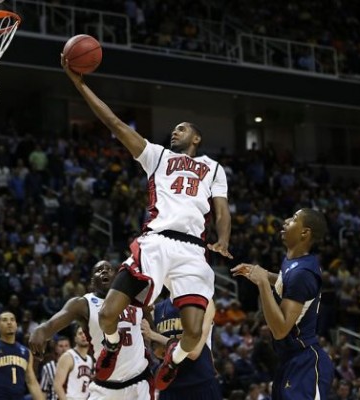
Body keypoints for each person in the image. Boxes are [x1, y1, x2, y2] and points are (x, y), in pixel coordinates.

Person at [60, 53, 232, 391]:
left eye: (182, 128)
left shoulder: (213, 168)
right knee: (107, 315)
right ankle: (111, 346)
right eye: (174, 128)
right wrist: (80, 85)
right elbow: (115, 124)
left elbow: (222, 210)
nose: (175, 131)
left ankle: (173, 360)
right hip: (157, 241)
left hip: (193, 250)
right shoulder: (157, 156)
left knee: (193, 332)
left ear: (196, 138)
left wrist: (223, 238)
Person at [231, 208, 334, 400]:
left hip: (305, 363)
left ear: (305, 233)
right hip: (289, 359)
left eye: (294, 218)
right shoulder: (295, 262)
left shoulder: (302, 273)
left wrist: (262, 283)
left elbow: (280, 330)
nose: (286, 220)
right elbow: (288, 283)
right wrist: (264, 275)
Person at [30, 260, 153, 399]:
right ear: (92, 282)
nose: (104, 271)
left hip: (139, 382)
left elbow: (152, 330)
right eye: (99, 270)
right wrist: (39, 331)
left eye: (109, 269)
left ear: (117, 277)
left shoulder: (135, 299)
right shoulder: (82, 304)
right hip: (106, 385)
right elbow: (50, 325)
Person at [142, 296, 221, 400]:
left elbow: (194, 352)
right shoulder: (156, 309)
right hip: (170, 386)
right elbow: (158, 352)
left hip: (201, 384)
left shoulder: (206, 302)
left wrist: (155, 335)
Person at [0, 311, 44, 400]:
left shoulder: (26, 352)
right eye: (4, 320)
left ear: (16, 325)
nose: (9, 322)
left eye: (12, 320)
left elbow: (32, 382)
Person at [53, 326, 93, 400]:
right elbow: (57, 385)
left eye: (86, 333)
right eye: (80, 333)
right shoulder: (68, 356)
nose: (83, 335)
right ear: (75, 338)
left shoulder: (89, 359)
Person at [40, 336, 72, 400]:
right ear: (55, 348)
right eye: (61, 346)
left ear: (70, 348)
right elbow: (43, 391)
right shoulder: (48, 367)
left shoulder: (77, 365)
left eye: (66, 346)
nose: (64, 349)